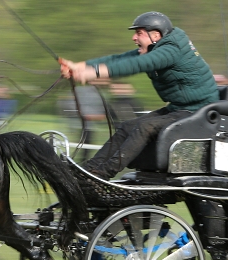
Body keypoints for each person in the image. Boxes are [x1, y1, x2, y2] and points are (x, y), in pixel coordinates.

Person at [60, 11, 218, 179]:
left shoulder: (171, 50)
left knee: (145, 127)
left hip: (198, 112)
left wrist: (94, 73)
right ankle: (88, 170)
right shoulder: (159, 47)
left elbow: (138, 64)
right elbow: (121, 58)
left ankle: (103, 174)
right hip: (179, 109)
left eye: (139, 33)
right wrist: (79, 66)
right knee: (126, 127)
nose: (134, 38)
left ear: (156, 35)